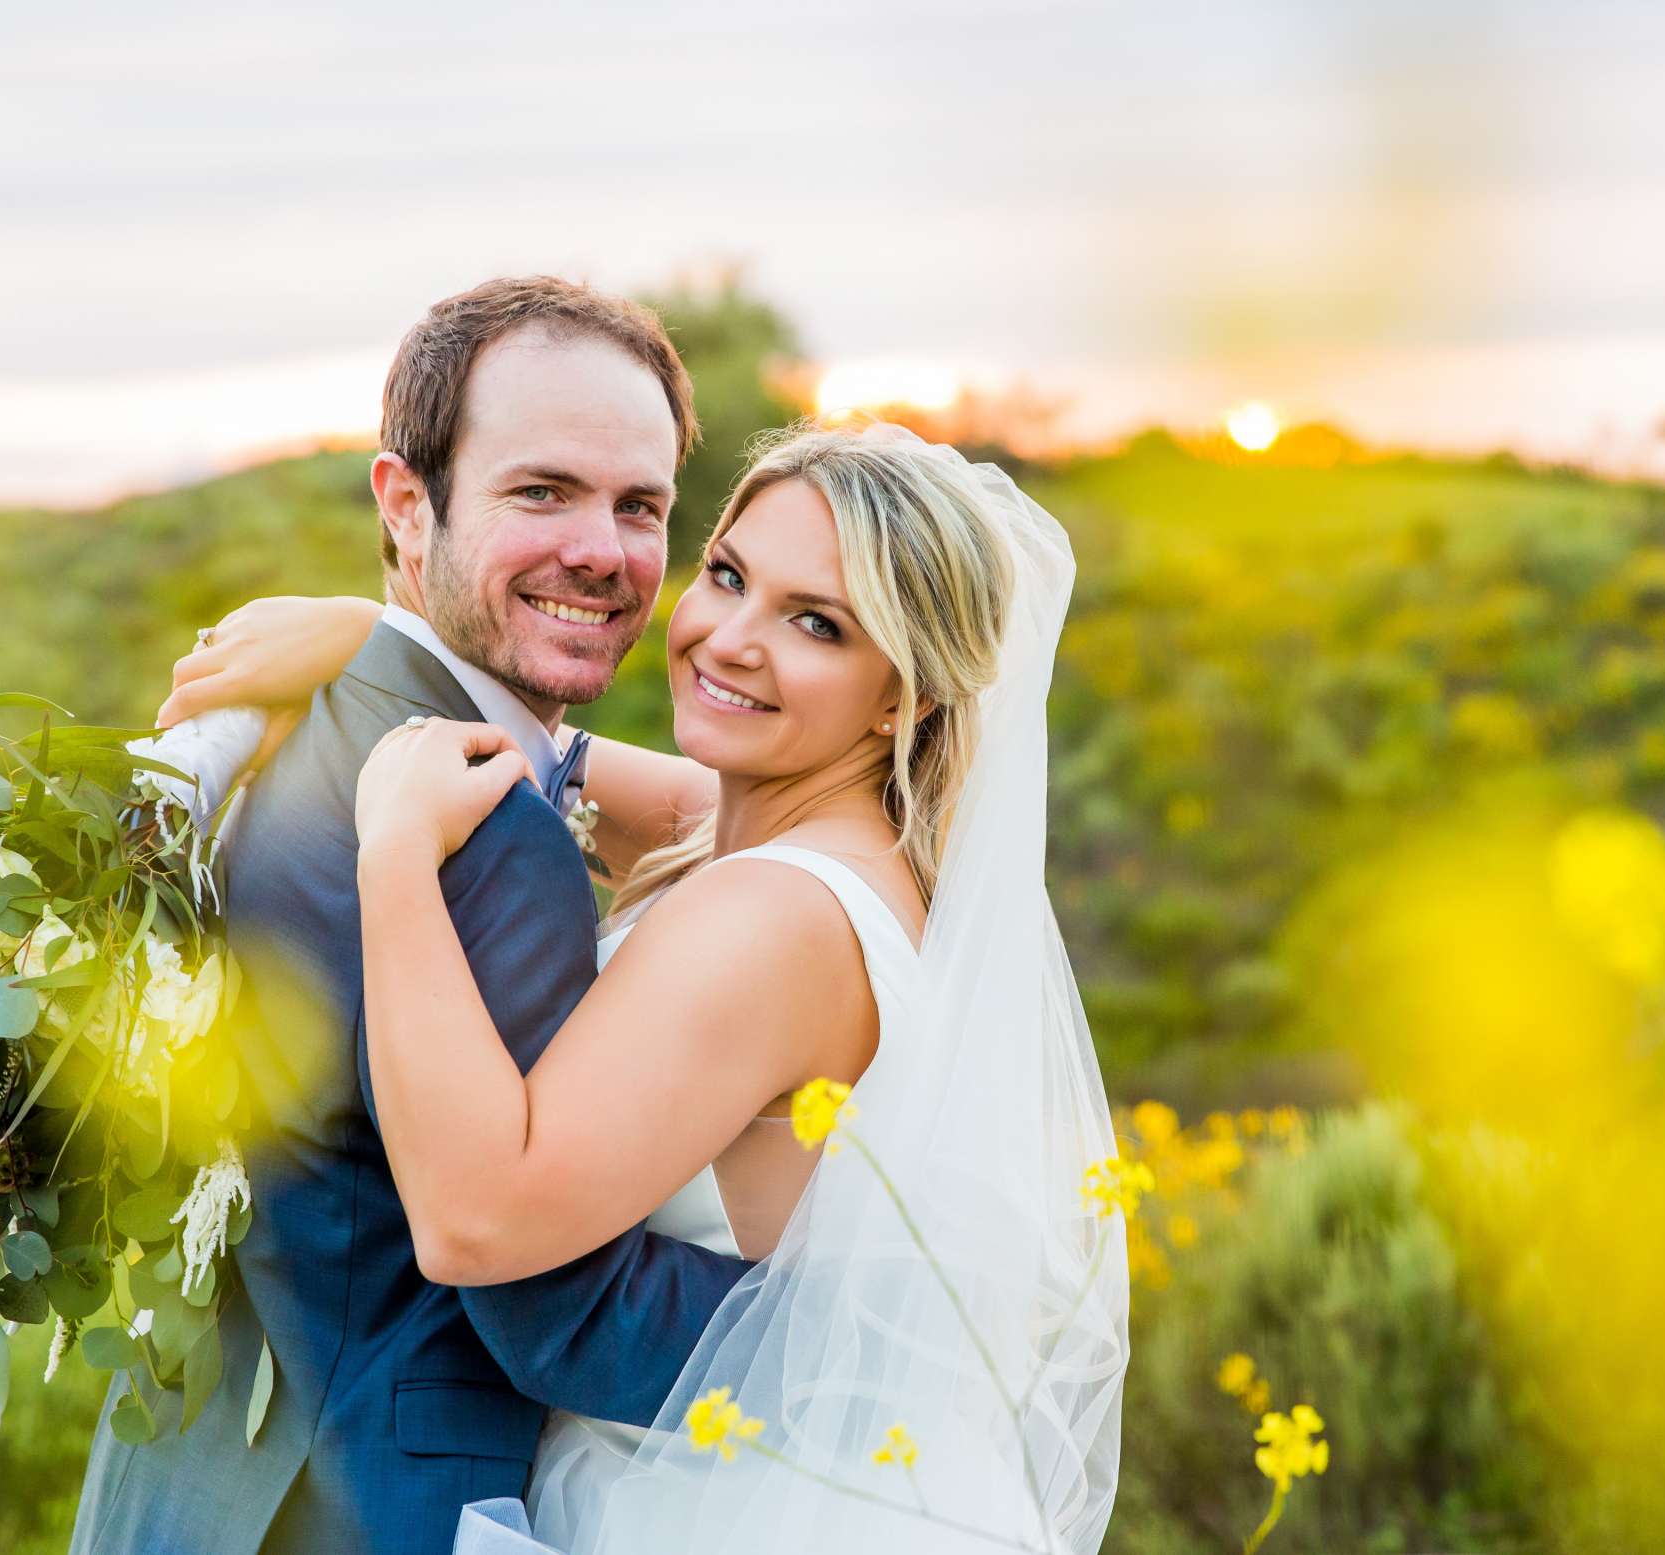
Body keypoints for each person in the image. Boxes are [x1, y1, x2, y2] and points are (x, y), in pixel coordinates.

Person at [162, 422, 1129, 1553]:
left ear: (900, 700)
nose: (730, 638)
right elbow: (558, 763)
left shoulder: (771, 917)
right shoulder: (844, 847)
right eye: (728, 575)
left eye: (817, 622)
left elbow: (478, 1224)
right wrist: (371, 637)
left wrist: (393, 859)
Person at [68, 276, 754, 1555]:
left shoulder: (296, 734)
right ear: (406, 503)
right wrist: (850, 1335)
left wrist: (374, 629)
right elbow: (557, 1304)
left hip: (191, 1492)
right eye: (541, 492)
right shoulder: (484, 842)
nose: (602, 551)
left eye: (639, 505)